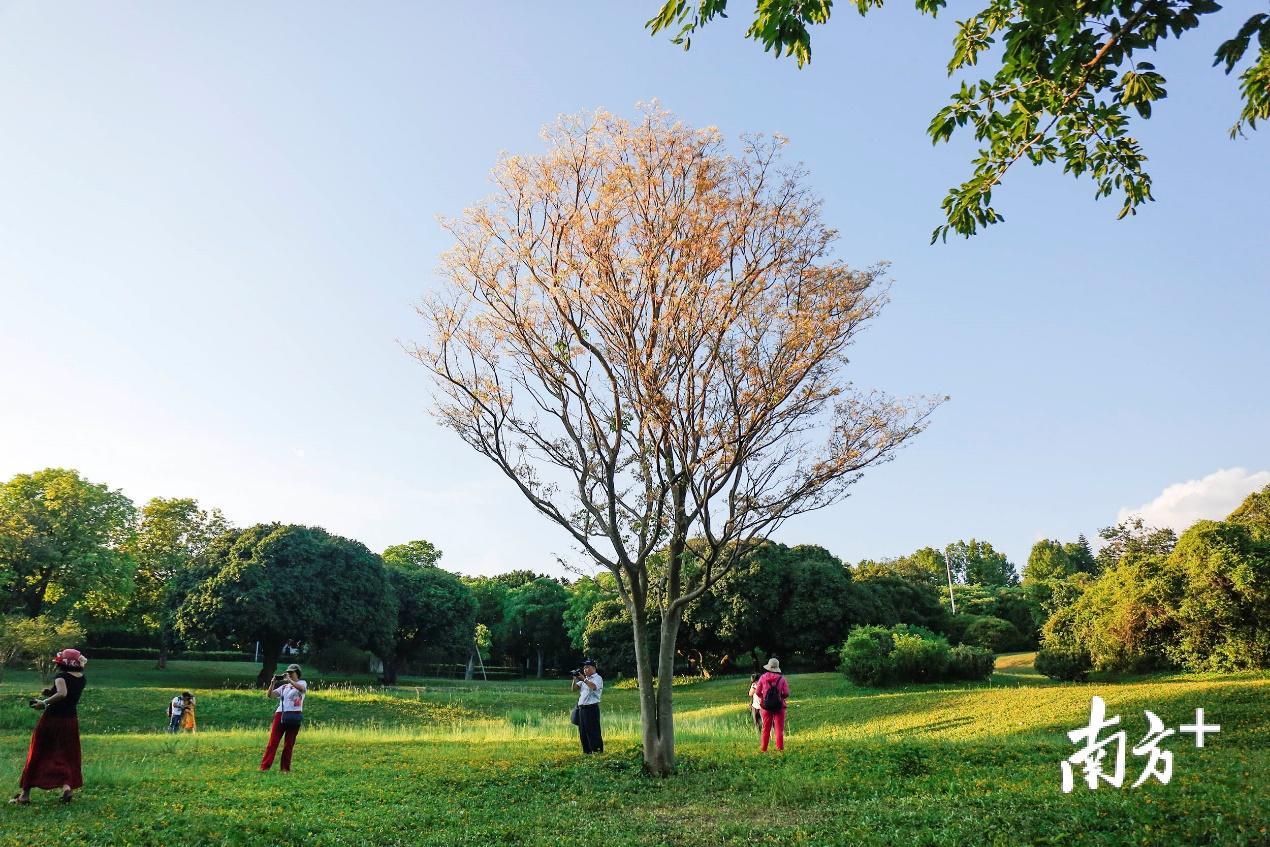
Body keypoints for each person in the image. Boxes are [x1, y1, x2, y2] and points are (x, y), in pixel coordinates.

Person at [11, 648, 87, 805]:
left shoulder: (61, 676)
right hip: (70, 720)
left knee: (38, 752)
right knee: (66, 753)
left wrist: (43, 703)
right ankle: (66, 787)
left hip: (52, 720)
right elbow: (68, 694)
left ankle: (24, 795)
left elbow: (62, 693)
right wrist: (49, 692)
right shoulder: (81, 678)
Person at [260, 663, 306, 773]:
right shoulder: (284, 687)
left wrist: (290, 681)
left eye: (291, 672)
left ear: (297, 673)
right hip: (281, 714)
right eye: (288, 672)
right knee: (273, 742)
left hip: (294, 715)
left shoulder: (302, 683)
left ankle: (285, 769)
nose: (289, 674)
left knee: (289, 744)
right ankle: (264, 767)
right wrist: (272, 683)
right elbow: (270, 695)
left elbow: (301, 689)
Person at [755, 657, 790, 753]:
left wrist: (763, 698)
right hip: (779, 706)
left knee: (766, 729)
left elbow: (757, 692)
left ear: (769, 667)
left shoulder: (763, 677)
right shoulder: (782, 679)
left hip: (766, 707)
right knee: (779, 729)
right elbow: (786, 693)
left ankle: (763, 749)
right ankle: (780, 749)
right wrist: (780, 697)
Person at [571, 658, 604, 754]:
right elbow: (574, 689)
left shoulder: (597, 678)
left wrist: (584, 679)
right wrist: (575, 678)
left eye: (587, 667)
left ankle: (597, 751)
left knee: (593, 730)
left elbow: (593, 687)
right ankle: (587, 752)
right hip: (582, 709)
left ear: (593, 668)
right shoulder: (584, 679)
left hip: (592, 708)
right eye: (584, 668)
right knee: (583, 731)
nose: (585, 670)